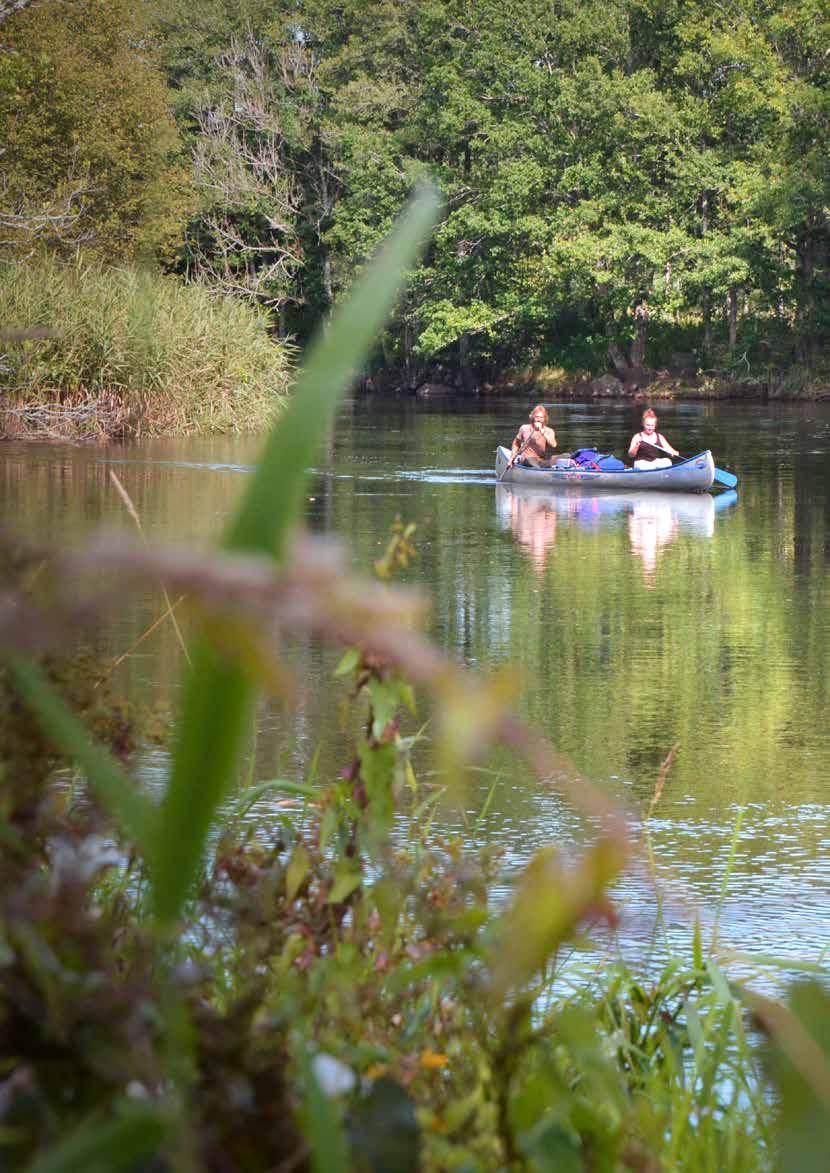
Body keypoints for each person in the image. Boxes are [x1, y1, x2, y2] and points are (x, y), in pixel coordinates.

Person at [508, 404, 557, 469]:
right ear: (533, 417)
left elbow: (553, 445)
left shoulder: (549, 431)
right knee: (530, 460)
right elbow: (516, 443)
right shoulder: (524, 428)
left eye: (541, 417)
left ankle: (545, 466)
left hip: (540, 460)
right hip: (527, 459)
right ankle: (543, 467)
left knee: (566, 456)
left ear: (544, 418)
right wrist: (511, 458)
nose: (539, 419)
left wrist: (543, 433)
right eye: (537, 417)